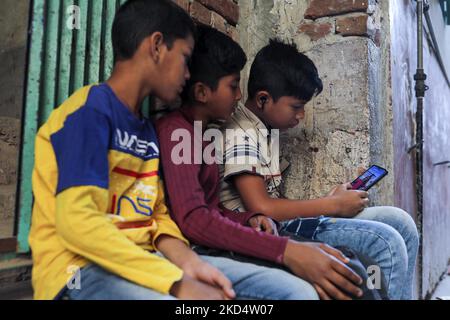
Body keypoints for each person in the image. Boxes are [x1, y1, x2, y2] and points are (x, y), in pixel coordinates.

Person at [28, 0, 306, 301]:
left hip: (150, 261)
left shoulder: (146, 131)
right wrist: (177, 282)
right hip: (81, 271)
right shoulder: (87, 113)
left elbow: (157, 215)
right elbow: (77, 224)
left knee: (295, 291)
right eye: (185, 59)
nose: (188, 75)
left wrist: (191, 264)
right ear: (157, 46)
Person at [157, 25, 370, 301]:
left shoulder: (204, 135)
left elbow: (212, 209)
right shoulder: (178, 133)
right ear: (202, 92)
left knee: (350, 264)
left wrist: (249, 218)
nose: (237, 96)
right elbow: (195, 220)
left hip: (224, 239)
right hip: (201, 250)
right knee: (324, 280)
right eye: (233, 86)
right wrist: (282, 250)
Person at [218, 39, 419, 300]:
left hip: (283, 223)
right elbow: (262, 208)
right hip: (265, 233)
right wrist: (330, 205)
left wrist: (330, 200)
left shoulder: (264, 130)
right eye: (296, 106)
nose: (301, 116)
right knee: (385, 242)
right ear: (263, 99)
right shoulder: (241, 134)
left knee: (401, 223)